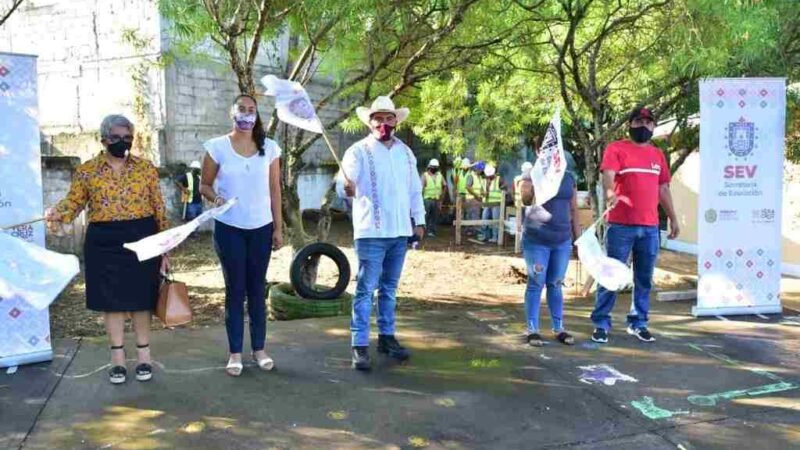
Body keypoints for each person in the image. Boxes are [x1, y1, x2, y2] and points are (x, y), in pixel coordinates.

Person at [45, 114, 169, 385]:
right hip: (104, 242)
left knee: (142, 299)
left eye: (128, 137)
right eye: (116, 137)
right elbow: (73, 202)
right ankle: (117, 360)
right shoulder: (87, 171)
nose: (122, 142)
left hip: (143, 237)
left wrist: (165, 249)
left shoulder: (146, 168)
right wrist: (57, 213)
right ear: (103, 140)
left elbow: (158, 207)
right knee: (111, 302)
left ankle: (144, 356)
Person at [199, 94, 284, 376]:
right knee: (235, 290)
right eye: (242, 109)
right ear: (232, 113)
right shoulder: (217, 147)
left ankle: (259, 350)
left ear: (257, 115)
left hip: (261, 228)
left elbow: (275, 189)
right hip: (229, 228)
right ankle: (235, 353)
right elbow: (204, 185)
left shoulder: (269, 148)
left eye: (252, 110)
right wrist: (216, 199)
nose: (247, 114)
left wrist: (278, 228)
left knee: (257, 290)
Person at [342, 96, 425, 371]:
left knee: (389, 289)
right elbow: (345, 181)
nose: (384, 123)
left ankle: (387, 338)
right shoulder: (358, 151)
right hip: (371, 231)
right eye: (378, 119)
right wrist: (346, 188)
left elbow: (415, 190)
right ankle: (359, 344)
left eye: (389, 118)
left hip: (399, 231)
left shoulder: (406, 153)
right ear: (370, 122)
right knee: (366, 289)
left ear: (396, 122)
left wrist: (419, 220)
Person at [590, 106, 679, 344]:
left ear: (654, 127)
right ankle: (601, 323)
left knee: (644, 278)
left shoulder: (657, 155)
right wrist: (610, 192)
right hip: (621, 225)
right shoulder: (616, 148)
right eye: (639, 121)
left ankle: (638, 323)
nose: (644, 126)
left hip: (650, 228)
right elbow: (608, 174)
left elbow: (663, 188)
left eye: (649, 123)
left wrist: (673, 218)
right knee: (611, 275)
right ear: (630, 124)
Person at [519, 158, 581, 347]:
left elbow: (574, 209)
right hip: (537, 240)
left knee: (555, 283)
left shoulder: (569, 178)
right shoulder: (534, 175)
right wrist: (529, 186)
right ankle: (533, 329)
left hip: (562, 240)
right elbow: (525, 200)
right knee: (536, 282)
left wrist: (578, 239)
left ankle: (558, 328)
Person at [480, 165, 507, 243]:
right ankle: (485, 236)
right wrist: (483, 193)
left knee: (496, 221)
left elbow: (505, 190)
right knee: (484, 219)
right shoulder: (484, 180)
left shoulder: (500, 179)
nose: (489, 177)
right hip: (487, 203)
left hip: (496, 203)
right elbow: (481, 190)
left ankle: (495, 237)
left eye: (490, 175)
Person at [421, 158, 446, 237]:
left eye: (436, 167)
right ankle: (423, 231)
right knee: (426, 216)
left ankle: (432, 231)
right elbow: (421, 188)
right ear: (429, 167)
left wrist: (441, 199)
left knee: (434, 216)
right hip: (427, 199)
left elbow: (444, 185)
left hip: (436, 199)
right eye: (433, 167)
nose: (434, 168)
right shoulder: (425, 175)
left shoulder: (439, 175)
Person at [465, 160, 485, 236]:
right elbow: (468, 187)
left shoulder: (479, 177)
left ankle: (471, 231)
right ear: (477, 169)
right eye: (481, 170)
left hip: (477, 199)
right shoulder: (471, 176)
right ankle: (473, 231)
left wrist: (482, 193)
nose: (481, 171)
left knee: (473, 215)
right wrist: (476, 196)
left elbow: (479, 188)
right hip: (471, 199)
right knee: (473, 216)